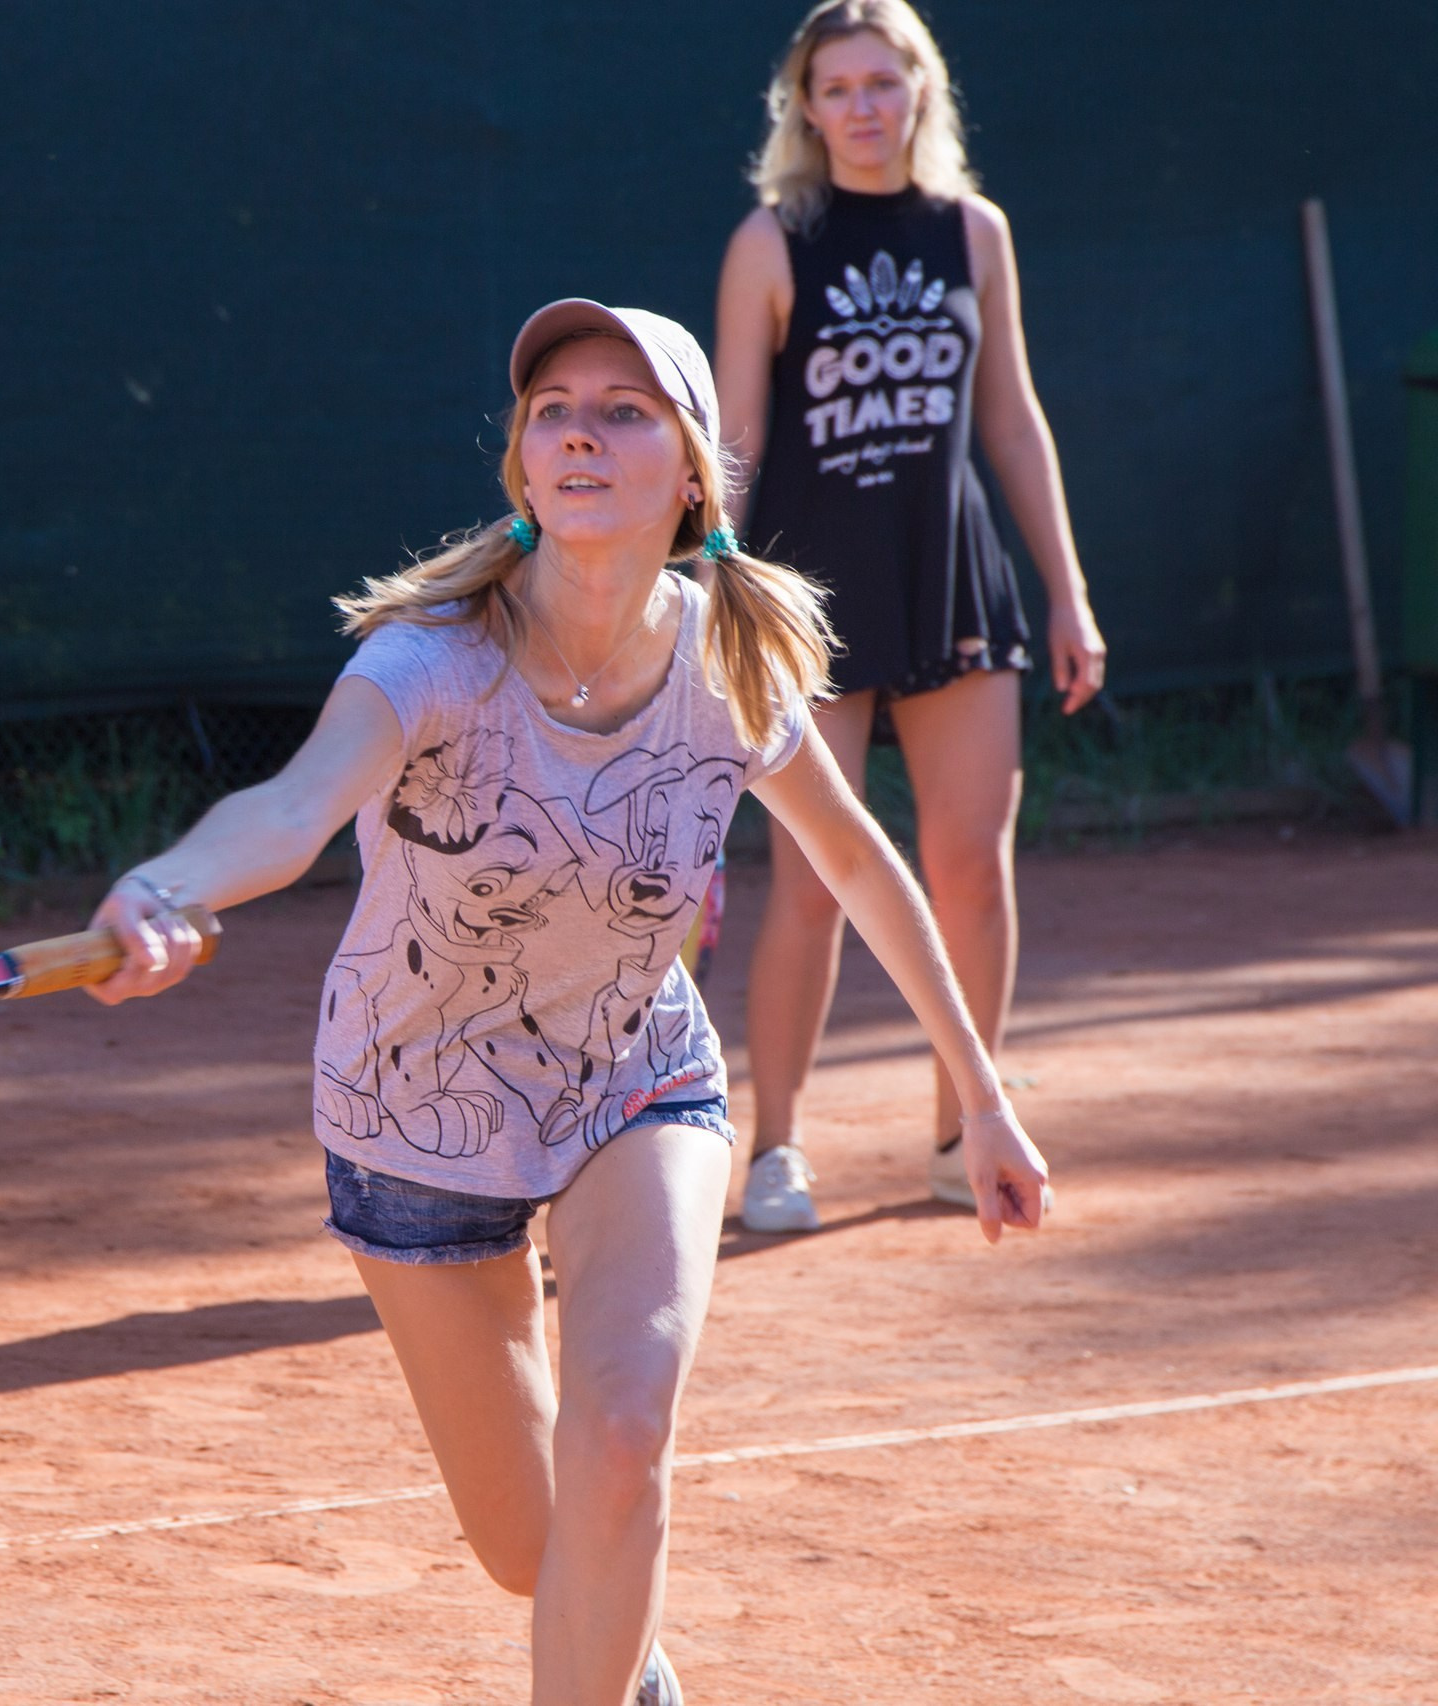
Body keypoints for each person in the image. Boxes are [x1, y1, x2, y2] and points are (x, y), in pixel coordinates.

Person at [84, 300, 1050, 1706]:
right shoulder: (429, 658)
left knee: (620, 1441)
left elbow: (856, 861)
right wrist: (168, 885)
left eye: (624, 410)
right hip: (412, 1108)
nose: (581, 432)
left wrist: (983, 1095)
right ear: (525, 468)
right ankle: (622, 1658)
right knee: (534, 1550)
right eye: (554, 411)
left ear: (692, 476)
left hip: (631, 1077)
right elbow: (293, 810)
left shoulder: (728, 663)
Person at [714, 0, 1107, 1234]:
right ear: (805, 107)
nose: (863, 107)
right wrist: (713, 594)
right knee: (813, 881)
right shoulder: (771, 241)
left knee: (970, 869)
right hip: (809, 603)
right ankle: (775, 1147)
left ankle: (960, 1132)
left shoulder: (973, 231)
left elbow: (1012, 421)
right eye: (836, 88)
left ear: (920, 91)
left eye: (882, 82)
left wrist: (1067, 590)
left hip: (952, 581)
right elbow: (734, 441)